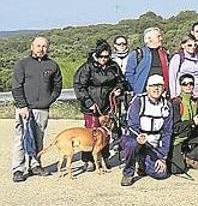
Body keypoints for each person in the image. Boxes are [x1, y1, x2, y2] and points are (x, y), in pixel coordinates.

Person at [11, 36, 63, 182]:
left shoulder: (52, 65)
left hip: (42, 109)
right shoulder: (22, 64)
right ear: (32, 46)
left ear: (48, 48)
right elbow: (16, 86)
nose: (41, 49)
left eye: (44, 46)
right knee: (21, 138)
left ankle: (35, 165)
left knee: (38, 138)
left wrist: (49, 100)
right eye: (38, 46)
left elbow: (57, 86)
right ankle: (18, 169)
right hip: (24, 109)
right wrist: (22, 106)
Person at [73, 40, 126, 172]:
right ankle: (88, 160)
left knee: (106, 133)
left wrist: (119, 89)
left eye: (106, 56)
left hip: (108, 105)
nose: (104, 59)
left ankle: (104, 157)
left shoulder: (113, 66)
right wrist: (88, 102)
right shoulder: (87, 67)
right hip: (91, 105)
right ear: (96, 55)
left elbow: (121, 81)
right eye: (101, 56)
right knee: (91, 132)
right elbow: (79, 86)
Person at [120, 75, 176, 186]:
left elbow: (167, 132)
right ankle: (128, 172)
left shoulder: (167, 105)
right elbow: (131, 124)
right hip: (135, 138)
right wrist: (139, 136)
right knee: (132, 145)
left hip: (153, 144)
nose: (156, 89)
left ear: (163, 88)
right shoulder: (138, 101)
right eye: (153, 86)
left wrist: (162, 157)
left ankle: (143, 163)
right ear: (147, 88)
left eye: (159, 86)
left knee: (161, 174)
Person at [168, 73, 198, 174]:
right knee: (177, 170)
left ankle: (189, 156)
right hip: (178, 138)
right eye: (185, 84)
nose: (188, 86)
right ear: (180, 86)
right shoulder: (176, 103)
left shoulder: (196, 102)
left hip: (190, 135)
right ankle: (182, 157)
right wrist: (192, 122)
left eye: (191, 83)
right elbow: (175, 127)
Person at [125, 27, 170, 94]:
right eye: (158, 36)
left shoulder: (165, 53)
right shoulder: (138, 54)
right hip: (143, 93)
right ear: (149, 39)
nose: (161, 39)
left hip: (162, 93)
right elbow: (129, 74)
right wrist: (137, 87)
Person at [168, 36, 198, 103]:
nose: (192, 47)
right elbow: (172, 77)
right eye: (189, 45)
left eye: (195, 45)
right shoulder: (177, 58)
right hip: (181, 95)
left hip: (197, 94)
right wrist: (174, 96)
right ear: (183, 45)